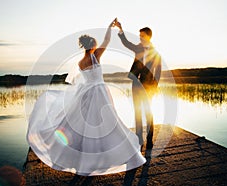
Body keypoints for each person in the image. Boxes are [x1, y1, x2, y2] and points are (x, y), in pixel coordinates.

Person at [26, 18, 146, 176]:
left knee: (85, 126)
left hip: (87, 94)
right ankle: (115, 154)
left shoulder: (81, 62)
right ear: (93, 46)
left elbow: (83, 80)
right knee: (109, 123)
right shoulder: (96, 56)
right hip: (99, 93)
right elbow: (107, 40)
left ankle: (83, 159)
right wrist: (111, 27)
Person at [115, 20, 162, 150]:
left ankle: (149, 140)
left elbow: (158, 72)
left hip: (148, 86)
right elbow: (126, 43)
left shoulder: (156, 53)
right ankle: (139, 139)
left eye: (141, 35)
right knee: (137, 112)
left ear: (148, 36)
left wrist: (154, 87)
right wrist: (120, 29)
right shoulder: (138, 47)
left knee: (148, 113)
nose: (139, 38)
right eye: (139, 36)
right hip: (136, 84)